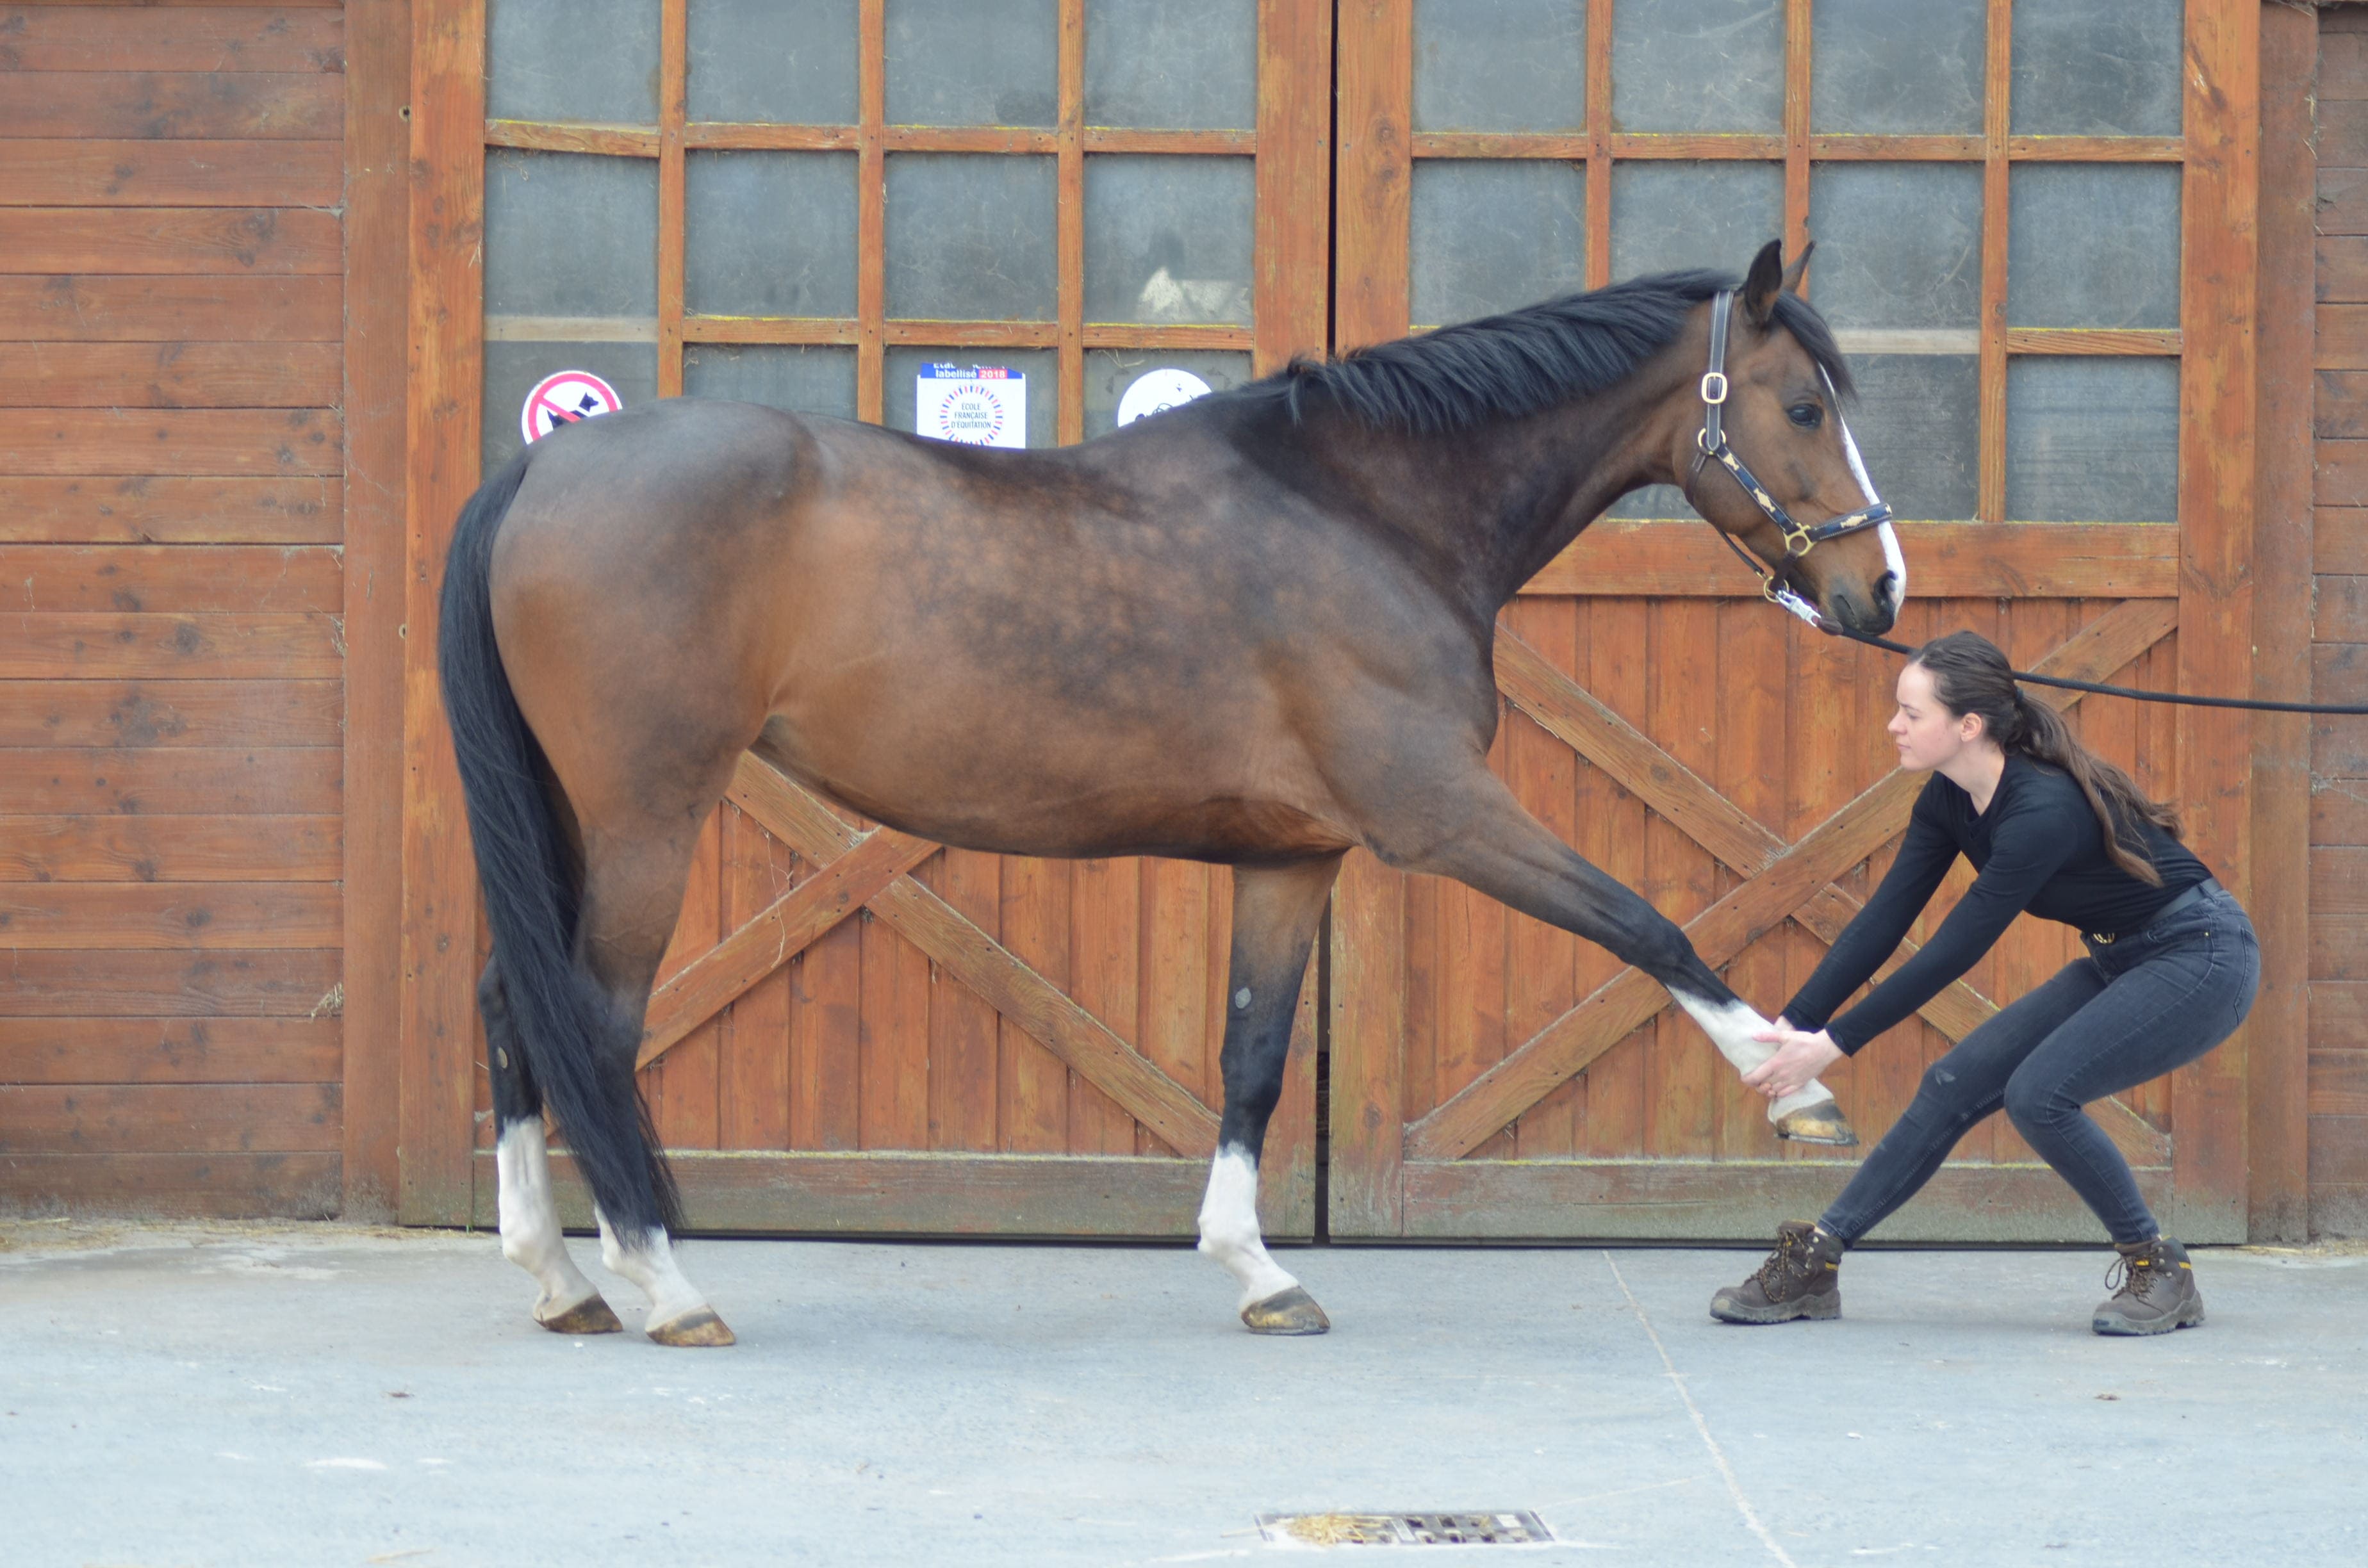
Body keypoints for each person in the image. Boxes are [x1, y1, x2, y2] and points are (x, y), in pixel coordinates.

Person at [1713, 630, 2258, 1335]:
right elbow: (1883, 921)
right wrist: (1797, 1023)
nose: (1893, 726)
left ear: (1967, 726)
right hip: (2123, 956)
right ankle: (1819, 1262)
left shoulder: (2042, 810)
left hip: (2203, 955)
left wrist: (1836, 1045)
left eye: (1912, 713)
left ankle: (2160, 1270)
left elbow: (1954, 950)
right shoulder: (1946, 800)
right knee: (1952, 1083)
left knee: (2040, 1095)